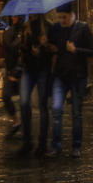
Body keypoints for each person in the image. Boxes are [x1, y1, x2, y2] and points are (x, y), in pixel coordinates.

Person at [47, 3, 93, 158]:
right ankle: (56, 147)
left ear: (71, 14)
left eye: (64, 17)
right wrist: (48, 46)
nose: (61, 20)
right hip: (60, 76)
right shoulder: (56, 29)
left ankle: (76, 147)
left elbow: (92, 51)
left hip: (78, 77)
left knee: (76, 113)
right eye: (59, 17)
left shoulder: (82, 28)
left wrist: (76, 50)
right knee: (56, 110)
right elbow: (52, 45)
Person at [17, 14, 55, 157]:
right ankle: (27, 142)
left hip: (43, 70)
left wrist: (46, 46)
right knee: (24, 102)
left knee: (42, 105)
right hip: (28, 69)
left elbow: (55, 49)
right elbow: (21, 49)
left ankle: (42, 144)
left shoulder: (49, 27)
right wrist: (26, 49)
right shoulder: (25, 28)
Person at [1, 15, 25, 138]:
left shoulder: (25, 31)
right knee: (5, 96)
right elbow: (8, 49)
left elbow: (23, 53)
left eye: (16, 15)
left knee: (24, 100)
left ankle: (26, 128)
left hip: (22, 71)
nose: (13, 17)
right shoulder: (10, 30)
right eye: (13, 15)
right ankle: (15, 121)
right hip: (10, 70)